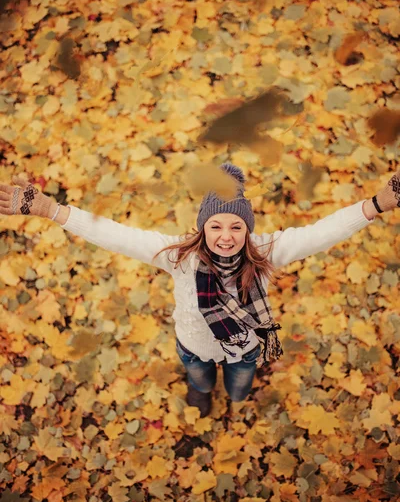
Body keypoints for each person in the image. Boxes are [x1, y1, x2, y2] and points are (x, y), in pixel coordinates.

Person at [1, 163, 399, 418]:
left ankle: (239, 399)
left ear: (248, 230)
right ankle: (202, 395)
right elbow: (116, 235)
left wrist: (377, 204)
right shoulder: (178, 256)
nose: (226, 237)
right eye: (216, 227)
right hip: (192, 347)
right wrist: (52, 211)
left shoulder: (266, 252)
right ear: (203, 228)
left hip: (245, 350)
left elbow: (322, 232)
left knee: (240, 385)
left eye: (236, 228)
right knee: (199, 381)